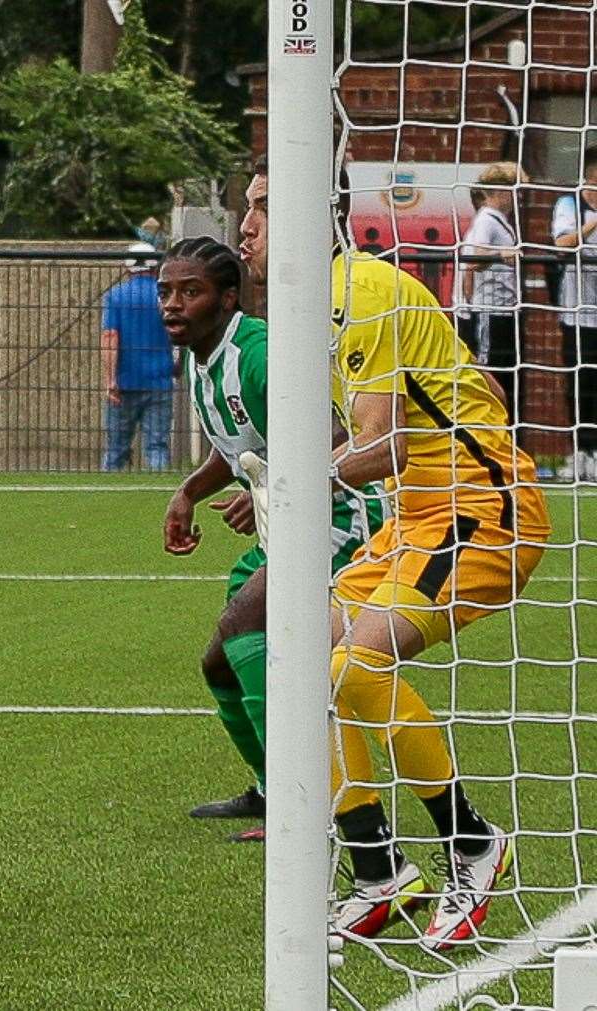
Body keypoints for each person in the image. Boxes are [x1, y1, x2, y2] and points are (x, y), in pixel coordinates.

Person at [240, 159, 549, 950]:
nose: (247, 226)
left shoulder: (359, 292)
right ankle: (378, 868)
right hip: (419, 516)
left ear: (312, 215)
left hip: (480, 512)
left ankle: (473, 843)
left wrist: (293, 479)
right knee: (301, 655)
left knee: (356, 666)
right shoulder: (324, 302)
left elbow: (381, 444)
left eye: (264, 208)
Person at [161, 237, 382, 844]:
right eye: (166, 292)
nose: (172, 304)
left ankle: (307, 802)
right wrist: (191, 491)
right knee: (220, 664)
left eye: (190, 291)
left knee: (245, 633)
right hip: (287, 522)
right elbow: (236, 442)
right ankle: (270, 788)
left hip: (340, 519)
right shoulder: (203, 358)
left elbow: (333, 434)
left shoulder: (258, 354)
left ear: (228, 299)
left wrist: (278, 482)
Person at [457, 162, 528, 444]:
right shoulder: (487, 219)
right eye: (513, 190)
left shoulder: (496, 221)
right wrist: (502, 253)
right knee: (489, 376)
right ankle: (487, 436)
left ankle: (499, 437)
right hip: (489, 311)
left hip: (501, 311)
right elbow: (473, 259)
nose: (517, 198)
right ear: (498, 191)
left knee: (504, 373)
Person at [101, 242, 176, 471]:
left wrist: (111, 380)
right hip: (160, 380)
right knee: (157, 446)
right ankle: (159, 497)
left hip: (125, 382)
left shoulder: (116, 296)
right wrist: (177, 363)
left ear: (128, 267)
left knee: (116, 449)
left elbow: (110, 336)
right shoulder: (165, 297)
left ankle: (106, 497)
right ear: (156, 266)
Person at [552, 150, 597, 477]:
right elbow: (562, 244)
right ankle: (582, 451)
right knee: (581, 381)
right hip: (578, 313)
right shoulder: (570, 206)